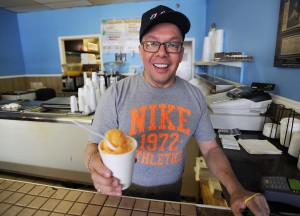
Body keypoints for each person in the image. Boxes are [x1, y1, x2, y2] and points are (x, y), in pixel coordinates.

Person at [83, 5, 270, 216]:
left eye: (172, 44)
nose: (162, 53)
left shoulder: (195, 97)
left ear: (181, 52)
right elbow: (92, 147)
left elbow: (211, 150)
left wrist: (235, 189)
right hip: (122, 193)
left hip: (171, 195)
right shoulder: (116, 93)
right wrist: (93, 165)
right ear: (141, 50)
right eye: (152, 43)